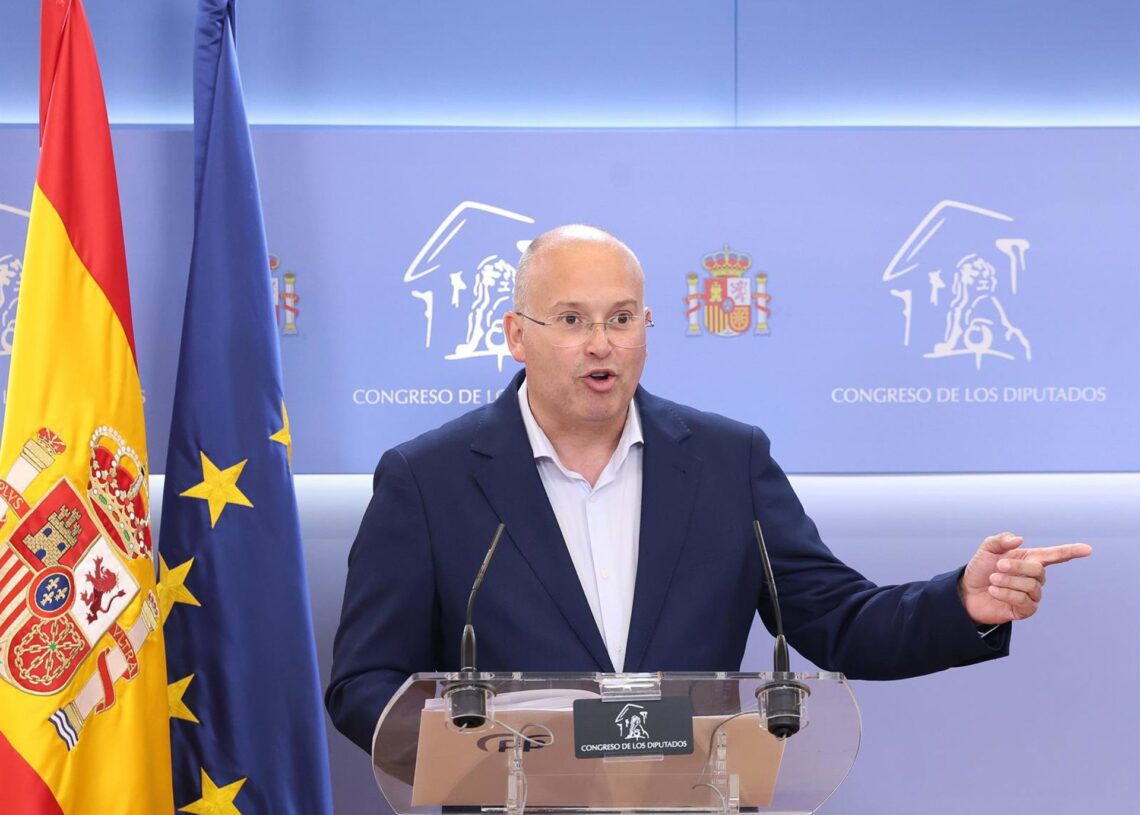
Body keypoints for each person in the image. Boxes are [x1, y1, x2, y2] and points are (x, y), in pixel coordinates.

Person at [326, 225, 1092, 754]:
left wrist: (961, 601)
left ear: (648, 327)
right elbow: (365, 681)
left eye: (621, 318)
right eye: (571, 319)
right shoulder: (427, 479)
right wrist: (482, 744)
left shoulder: (728, 461)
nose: (601, 343)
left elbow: (836, 618)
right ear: (516, 334)